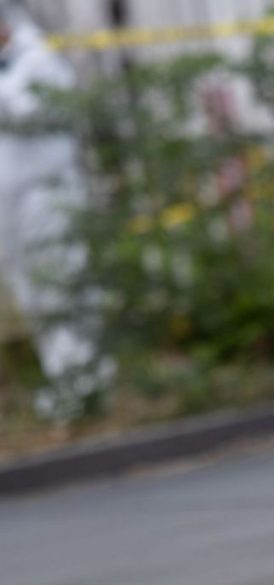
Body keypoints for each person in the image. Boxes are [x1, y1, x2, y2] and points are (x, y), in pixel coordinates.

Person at [0, 4, 109, 418]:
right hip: (10, 202)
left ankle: (87, 378)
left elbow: (31, 113)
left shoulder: (39, 61)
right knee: (31, 290)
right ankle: (63, 379)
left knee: (62, 281)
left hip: (47, 192)